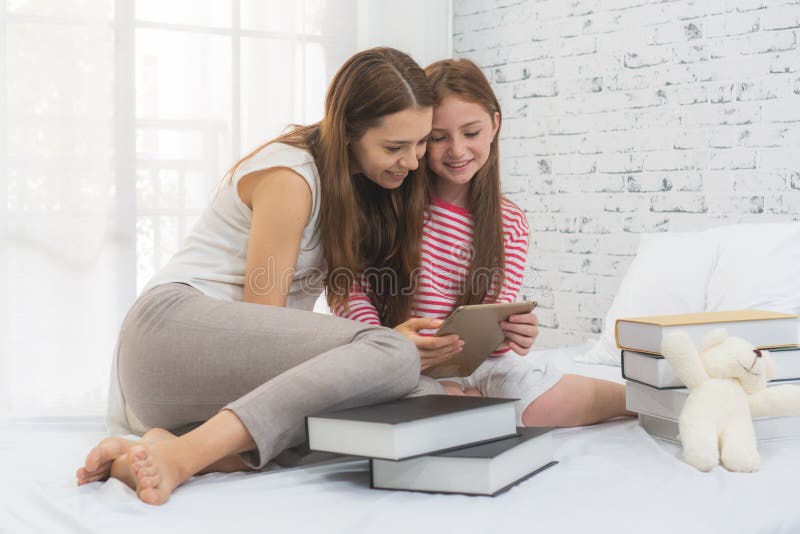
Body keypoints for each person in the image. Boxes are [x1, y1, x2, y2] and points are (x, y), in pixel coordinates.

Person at [75, 47, 435, 506]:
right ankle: (186, 456)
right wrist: (386, 350)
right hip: (168, 335)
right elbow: (262, 318)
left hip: (199, 389)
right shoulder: (291, 177)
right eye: (394, 147)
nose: (413, 161)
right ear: (348, 132)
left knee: (418, 391)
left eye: (421, 142)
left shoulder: (354, 188)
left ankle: (164, 449)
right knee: (391, 354)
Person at [337, 58, 633, 427]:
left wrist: (513, 335)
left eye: (471, 133)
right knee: (416, 401)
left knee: (543, 399)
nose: (457, 151)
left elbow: (497, 320)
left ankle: (642, 400)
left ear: (495, 125)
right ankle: (471, 405)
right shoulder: (385, 200)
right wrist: (386, 346)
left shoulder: (509, 221)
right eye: (438, 138)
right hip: (406, 364)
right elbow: (347, 289)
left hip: (484, 366)